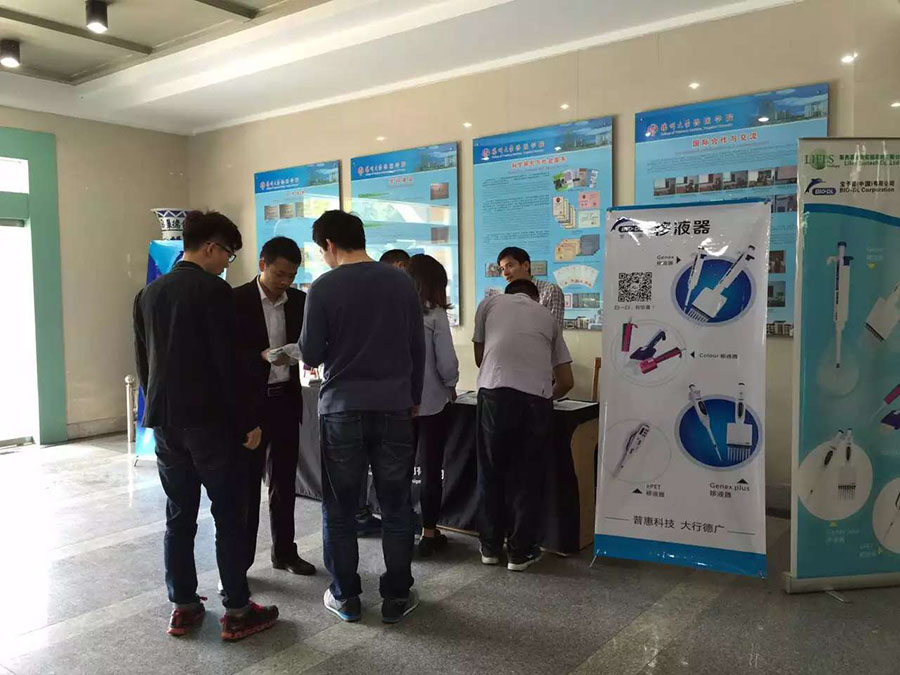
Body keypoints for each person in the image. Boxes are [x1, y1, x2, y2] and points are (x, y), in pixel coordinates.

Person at [133, 210, 279, 641]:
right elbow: (227, 364)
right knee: (228, 513)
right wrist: (249, 420)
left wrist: (156, 411)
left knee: (179, 515)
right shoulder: (215, 292)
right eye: (228, 255)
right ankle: (236, 609)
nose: (226, 264)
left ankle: (183, 605)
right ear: (211, 247)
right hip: (211, 422)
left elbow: (144, 363)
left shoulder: (148, 294)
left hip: (166, 422)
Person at [300, 210, 425, 624]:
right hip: (395, 406)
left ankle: (346, 596)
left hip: (341, 409)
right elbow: (416, 347)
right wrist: (412, 397)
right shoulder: (401, 282)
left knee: (340, 508)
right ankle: (397, 596)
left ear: (329, 245)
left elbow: (311, 352)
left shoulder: (324, 286)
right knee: (396, 505)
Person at [472, 279, 574, 572]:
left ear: (508, 293)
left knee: (490, 473)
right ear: (535, 297)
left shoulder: (489, 303)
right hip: (534, 401)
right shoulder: (546, 316)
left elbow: (480, 358)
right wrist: (545, 396)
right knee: (527, 478)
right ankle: (520, 553)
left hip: (493, 395)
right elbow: (567, 381)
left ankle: (490, 548)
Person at [233, 236, 316, 577]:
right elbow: (226, 354)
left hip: (285, 398)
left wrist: (302, 353)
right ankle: (240, 564)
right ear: (262, 265)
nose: (285, 282)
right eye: (279, 274)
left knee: (284, 481)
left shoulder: (299, 301)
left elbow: (309, 342)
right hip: (251, 404)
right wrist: (261, 356)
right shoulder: (236, 300)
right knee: (247, 487)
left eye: (291, 276)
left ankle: (284, 551)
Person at [407, 254, 459, 558]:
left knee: (398, 469)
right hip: (432, 404)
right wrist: (452, 384)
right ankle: (429, 532)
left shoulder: (393, 311)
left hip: (397, 403)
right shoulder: (435, 314)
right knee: (430, 470)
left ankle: (399, 527)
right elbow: (446, 362)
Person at [497, 246, 565, 328]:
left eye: (510, 266)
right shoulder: (505, 296)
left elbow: (554, 331)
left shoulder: (550, 290)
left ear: (526, 266)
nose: (505, 273)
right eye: (502, 269)